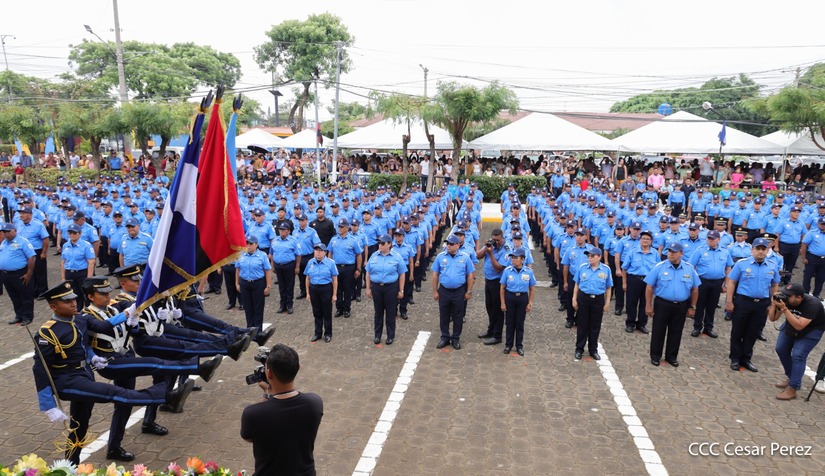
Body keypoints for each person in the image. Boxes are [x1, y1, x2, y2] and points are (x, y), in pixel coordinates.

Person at [31, 281, 194, 466]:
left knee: (80, 425)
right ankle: (166, 396)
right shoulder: (47, 332)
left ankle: (71, 465)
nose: (73, 303)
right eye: (67, 302)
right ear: (53, 307)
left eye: (74, 299)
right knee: (113, 393)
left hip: (85, 375)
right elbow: (40, 368)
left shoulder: (80, 320)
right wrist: (49, 404)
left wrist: (92, 357)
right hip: (66, 381)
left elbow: (86, 342)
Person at [241, 344, 323, 476]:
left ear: (269, 373)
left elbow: (250, 438)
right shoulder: (314, 402)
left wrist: (267, 394)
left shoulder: (252, 413)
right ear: (298, 368)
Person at [725, 237, 781, 373]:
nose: (761, 252)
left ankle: (746, 358)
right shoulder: (742, 264)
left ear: (767, 250)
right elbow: (732, 282)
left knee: (753, 332)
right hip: (743, 302)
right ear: (752, 250)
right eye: (758, 249)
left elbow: (774, 285)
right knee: (738, 331)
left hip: (762, 304)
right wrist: (729, 301)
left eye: (763, 249)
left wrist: (773, 304)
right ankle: (735, 358)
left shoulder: (772, 265)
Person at [644, 242, 701, 367]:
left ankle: (671, 356)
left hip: (681, 305)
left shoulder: (689, 268)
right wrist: (648, 305)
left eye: (674, 252)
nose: (671, 254)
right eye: (669, 251)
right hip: (662, 304)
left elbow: (695, 289)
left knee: (676, 331)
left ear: (681, 253)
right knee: (658, 331)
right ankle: (655, 356)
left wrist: (692, 306)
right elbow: (649, 287)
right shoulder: (659, 267)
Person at [769, 283, 825, 400]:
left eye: (789, 296)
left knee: (798, 356)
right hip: (792, 324)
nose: (785, 297)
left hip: (811, 330)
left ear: (799, 297)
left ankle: (793, 388)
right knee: (781, 349)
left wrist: (784, 309)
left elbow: (799, 326)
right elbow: (773, 318)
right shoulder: (787, 301)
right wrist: (774, 304)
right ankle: (792, 378)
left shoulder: (812, 304)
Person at [432, 234, 475, 350]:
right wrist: (435, 291)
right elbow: (435, 274)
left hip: (459, 291)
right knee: (444, 314)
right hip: (444, 290)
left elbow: (470, 275)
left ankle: (455, 338)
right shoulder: (440, 257)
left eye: (451, 244)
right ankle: (445, 337)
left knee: (458, 316)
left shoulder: (465, 257)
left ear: (457, 245)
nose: (448, 246)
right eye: (447, 244)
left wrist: (469, 291)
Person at [688, 230, 733, 338]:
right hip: (702, 281)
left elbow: (728, 268)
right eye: (708, 238)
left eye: (712, 239)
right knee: (700, 305)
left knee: (712, 306)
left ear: (718, 240)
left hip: (717, 282)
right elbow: (691, 266)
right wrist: (693, 282)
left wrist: (726, 284)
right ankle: (697, 327)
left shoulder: (725, 252)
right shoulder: (700, 250)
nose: (710, 240)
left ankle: (708, 328)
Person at [571, 245, 612, 360]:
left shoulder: (606, 269)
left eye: (592, 256)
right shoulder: (582, 268)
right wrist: (574, 299)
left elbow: (609, 287)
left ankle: (593, 350)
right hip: (584, 298)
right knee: (582, 325)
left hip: (598, 299)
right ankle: (579, 349)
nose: (589, 258)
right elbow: (577, 284)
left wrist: (607, 302)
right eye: (588, 256)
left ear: (599, 257)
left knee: (595, 325)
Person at [366, 234, 407, 345]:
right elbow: (368, 272)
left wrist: (401, 290)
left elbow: (402, 274)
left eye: (383, 243)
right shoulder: (374, 255)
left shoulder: (396, 257)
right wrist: (368, 288)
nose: (380, 245)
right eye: (379, 243)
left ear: (389, 244)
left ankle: (390, 335)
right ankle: (377, 335)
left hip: (390, 287)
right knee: (378, 312)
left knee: (390, 312)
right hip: (376, 287)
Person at [476, 229, 511, 345]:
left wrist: (490, 254)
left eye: (498, 240)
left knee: (497, 309)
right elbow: (478, 256)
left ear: (502, 238)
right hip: (488, 281)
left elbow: (499, 268)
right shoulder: (491, 245)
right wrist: (486, 248)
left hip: (498, 283)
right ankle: (490, 330)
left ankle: (497, 335)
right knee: (489, 307)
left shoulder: (507, 250)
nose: (495, 242)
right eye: (493, 239)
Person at [499, 247, 535, 356]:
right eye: (512, 258)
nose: (513, 260)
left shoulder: (528, 271)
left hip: (522, 298)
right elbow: (502, 288)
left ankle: (519, 346)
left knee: (520, 323)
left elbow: (532, 288)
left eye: (516, 258)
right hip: (510, 298)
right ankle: (508, 345)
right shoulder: (507, 271)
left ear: (522, 259)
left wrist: (530, 303)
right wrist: (503, 303)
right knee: (509, 323)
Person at [621, 229, 657, 334]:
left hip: (648, 282)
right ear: (640, 240)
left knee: (645, 303)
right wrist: (624, 283)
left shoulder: (655, 253)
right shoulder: (632, 252)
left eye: (647, 239)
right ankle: (630, 323)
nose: (645, 240)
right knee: (631, 303)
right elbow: (624, 268)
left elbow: (657, 269)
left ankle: (641, 324)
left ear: (651, 241)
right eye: (643, 238)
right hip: (634, 280)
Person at [0, 222, 36, 325]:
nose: (6, 234)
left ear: (15, 231)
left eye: (9, 231)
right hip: (6, 275)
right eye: (4, 232)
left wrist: (29, 274)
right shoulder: (4, 243)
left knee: (25, 296)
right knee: (14, 296)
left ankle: (27, 317)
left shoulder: (23, 241)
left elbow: (32, 257)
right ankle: (19, 315)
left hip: (20, 273)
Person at [328, 218, 363, 318]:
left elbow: (359, 255)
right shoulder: (334, 239)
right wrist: (329, 267)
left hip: (349, 268)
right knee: (337, 288)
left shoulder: (353, 240)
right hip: (337, 267)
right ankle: (339, 308)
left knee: (348, 289)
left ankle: (347, 309)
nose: (339, 228)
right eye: (339, 226)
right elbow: (330, 253)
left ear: (347, 228)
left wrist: (358, 268)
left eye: (341, 227)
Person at [235, 236, 272, 330]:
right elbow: (237, 269)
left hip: (258, 284)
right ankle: (250, 329)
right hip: (244, 283)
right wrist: (237, 283)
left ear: (256, 244)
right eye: (247, 244)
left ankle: (258, 330)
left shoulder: (262, 255)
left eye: (251, 244)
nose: (248, 246)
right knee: (248, 308)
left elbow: (267, 271)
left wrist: (268, 286)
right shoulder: (241, 254)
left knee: (258, 308)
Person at [304, 243, 337, 342]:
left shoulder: (331, 263)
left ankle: (328, 333)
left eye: (320, 251)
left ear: (325, 252)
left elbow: (335, 279)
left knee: (327, 312)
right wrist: (307, 293)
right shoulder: (310, 262)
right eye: (316, 250)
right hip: (314, 289)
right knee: (316, 312)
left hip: (326, 288)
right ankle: (317, 333)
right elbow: (307, 278)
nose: (318, 252)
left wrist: (334, 294)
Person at [15, 206, 50, 296]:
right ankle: (34, 290)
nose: (21, 215)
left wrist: (44, 252)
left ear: (30, 215)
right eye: (20, 213)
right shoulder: (19, 224)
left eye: (23, 213)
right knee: (30, 271)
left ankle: (43, 291)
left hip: (36, 251)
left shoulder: (38, 225)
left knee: (40, 272)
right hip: (24, 252)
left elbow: (45, 239)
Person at [60, 223, 95, 310]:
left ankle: (88, 311)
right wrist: (63, 277)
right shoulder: (65, 245)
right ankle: (77, 311)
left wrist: (89, 278)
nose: (72, 235)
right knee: (74, 294)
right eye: (70, 233)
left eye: (74, 233)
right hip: (69, 273)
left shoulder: (86, 245)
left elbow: (91, 262)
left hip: (82, 273)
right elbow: (63, 262)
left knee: (86, 293)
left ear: (80, 233)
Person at [269, 223, 302, 314]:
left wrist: (297, 267)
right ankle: (282, 304)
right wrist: (273, 265)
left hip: (289, 265)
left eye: (284, 230)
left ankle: (289, 305)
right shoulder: (275, 240)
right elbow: (272, 254)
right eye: (280, 230)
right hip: (278, 266)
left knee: (289, 286)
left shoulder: (293, 241)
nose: (282, 231)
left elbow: (298, 255)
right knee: (281, 286)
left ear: (289, 231)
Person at [800, 217, 825, 298]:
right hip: (812, 258)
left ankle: (817, 294)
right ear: (818, 224)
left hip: (823, 259)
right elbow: (804, 245)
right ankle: (806, 293)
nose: (823, 226)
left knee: (821, 277)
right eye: (822, 224)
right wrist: (804, 258)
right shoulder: (812, 233)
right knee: (808, 276)